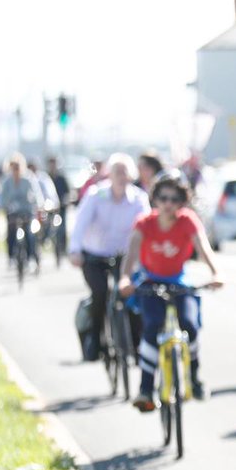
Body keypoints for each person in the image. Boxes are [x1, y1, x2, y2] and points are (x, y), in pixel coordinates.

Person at [118, 172, 222, 411]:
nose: (168, 204)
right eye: (163, 198)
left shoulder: (188, 221)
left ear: (182, 201)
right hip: (149, 282)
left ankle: (194, 379)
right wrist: (125, 278)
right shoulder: (144, 223)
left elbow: (204, 249)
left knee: (190, 324)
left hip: (179, 280)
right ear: (155, 199)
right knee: (152, 325)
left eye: (175, 199)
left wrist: (216, 273)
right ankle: (145, 389)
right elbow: (131, 254)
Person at [68, 153, 151, 359]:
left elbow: (147, 229)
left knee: (130, 293)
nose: (121, 177)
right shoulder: (97, 195)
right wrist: (75, 250)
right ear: (109, 175)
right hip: (94, 255)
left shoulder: (139, 199)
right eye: (117, 172)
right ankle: (95, 341)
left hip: (124, 256)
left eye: (125, 173)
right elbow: (80, 223)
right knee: (100, 293)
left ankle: (135, 343)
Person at [0, 153, 43, 267]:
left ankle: (30, 257)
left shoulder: (28, 179)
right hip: (12, 212)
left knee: (29, 234)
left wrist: (38, 204)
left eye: (17, 167)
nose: (15, 170)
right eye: (13, 167)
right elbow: (2, 198)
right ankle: (11, 257)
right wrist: (2, 206)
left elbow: (37, 195)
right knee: (11, 233)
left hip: (27, 211)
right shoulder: (6, 181)